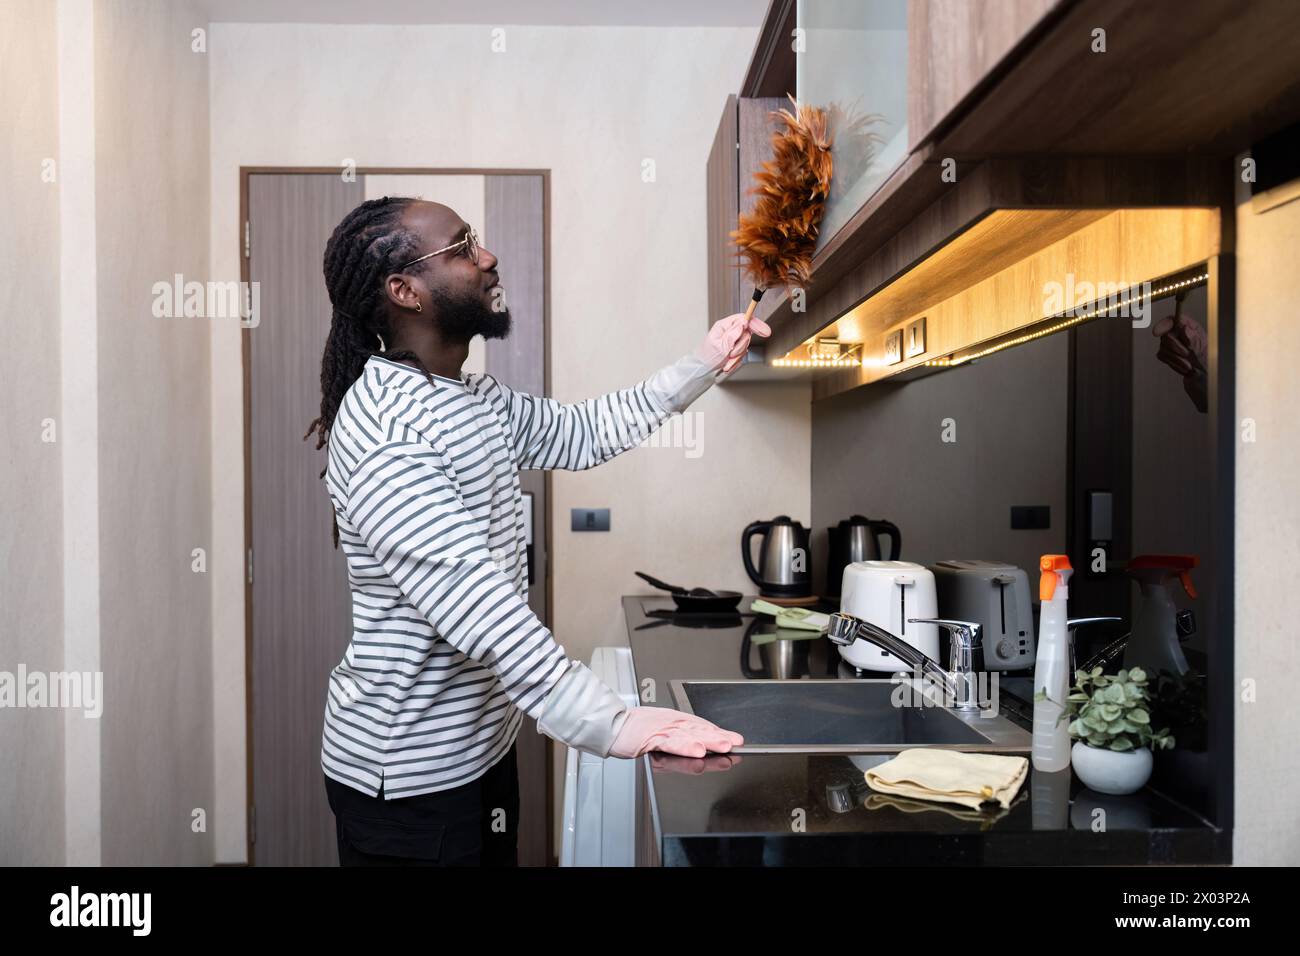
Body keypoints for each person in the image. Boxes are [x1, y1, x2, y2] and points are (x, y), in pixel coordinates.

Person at [304, 197, 767, 866]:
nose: (487, 258)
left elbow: (583, 432)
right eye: (461, 249)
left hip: (481, 751)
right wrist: (611, 723)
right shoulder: (384, 430)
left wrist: (701, 362)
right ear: (404, 292)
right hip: (408, 780)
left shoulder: (472, 398)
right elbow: (480, 608)